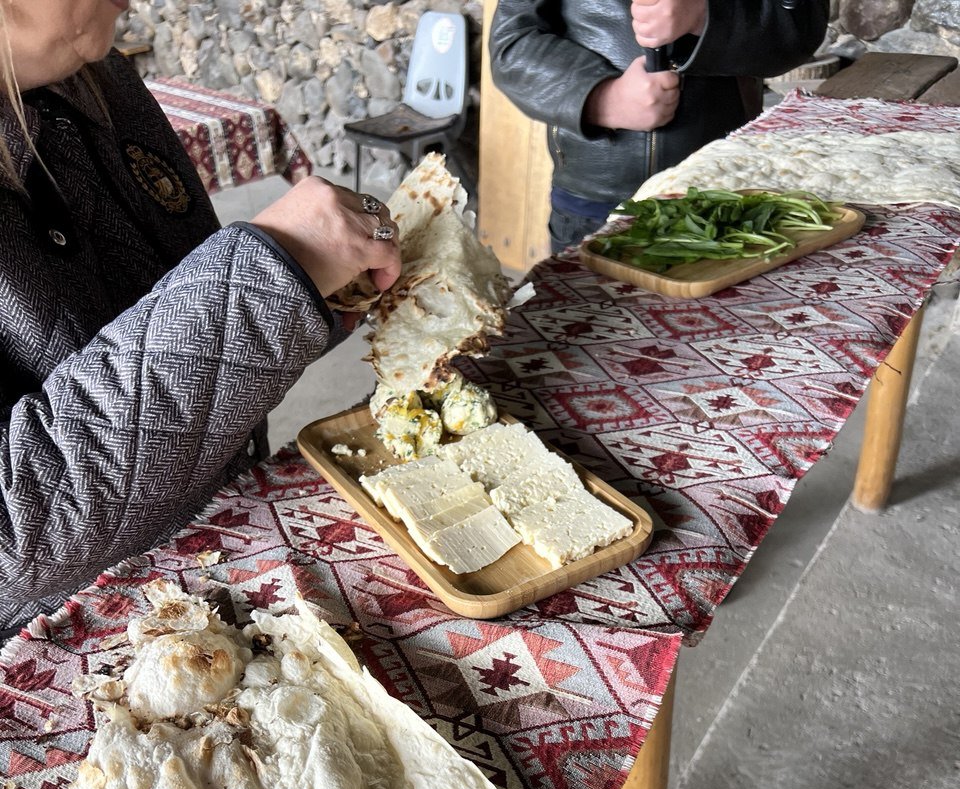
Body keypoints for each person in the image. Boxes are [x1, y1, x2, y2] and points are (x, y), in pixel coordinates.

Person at [0, 0, 401, 635]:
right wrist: (266, 276)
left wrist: (309, 292)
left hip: (222, 574)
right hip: (80, 656)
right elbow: (14, 529)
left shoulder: (95, 79)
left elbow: (166, 309)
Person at [489, 0, 830, 253]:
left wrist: (707, 16)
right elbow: (512, 43)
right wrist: (604, 98)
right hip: (595, 204)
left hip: (727, 193)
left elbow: (798, 28)